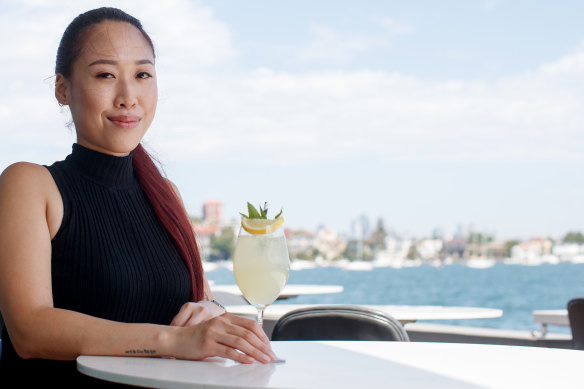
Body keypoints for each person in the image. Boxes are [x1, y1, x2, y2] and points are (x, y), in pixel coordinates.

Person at [0, 7, 275, 386]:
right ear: (63, 89)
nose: (128, 97)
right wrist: (175, 341)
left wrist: (210, 314)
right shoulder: (29, 184)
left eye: (142, 75)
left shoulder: (166, 195)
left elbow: (203, 302)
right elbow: (29, 331)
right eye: (105, 75)